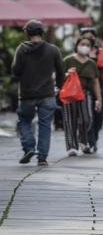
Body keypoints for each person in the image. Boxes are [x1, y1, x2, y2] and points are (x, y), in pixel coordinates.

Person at [12, 20, 64, 166]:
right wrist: (59, 87)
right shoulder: (53, 50)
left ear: (27, 33)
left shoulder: (21, 49)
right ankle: (42, 157)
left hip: (26, 94)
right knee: (45, 125)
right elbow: (61, 71)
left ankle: (29, 147)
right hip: (47, 94)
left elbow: (15, 71)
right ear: (42, 32)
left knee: (24, 121)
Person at [62, 37, 102, 156]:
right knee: (70, 120)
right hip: (69, 94)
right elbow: (59, 77)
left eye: (88, 45)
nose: (85, 46)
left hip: (85, 93)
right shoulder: (68, 60)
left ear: (90, 48)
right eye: (82, 44)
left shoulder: (91, 63)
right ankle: (72, 146)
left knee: (87, 119)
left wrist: (99, 99)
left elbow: (96, 82)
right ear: (77, 45)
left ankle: (82, 140)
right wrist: (67, 74)